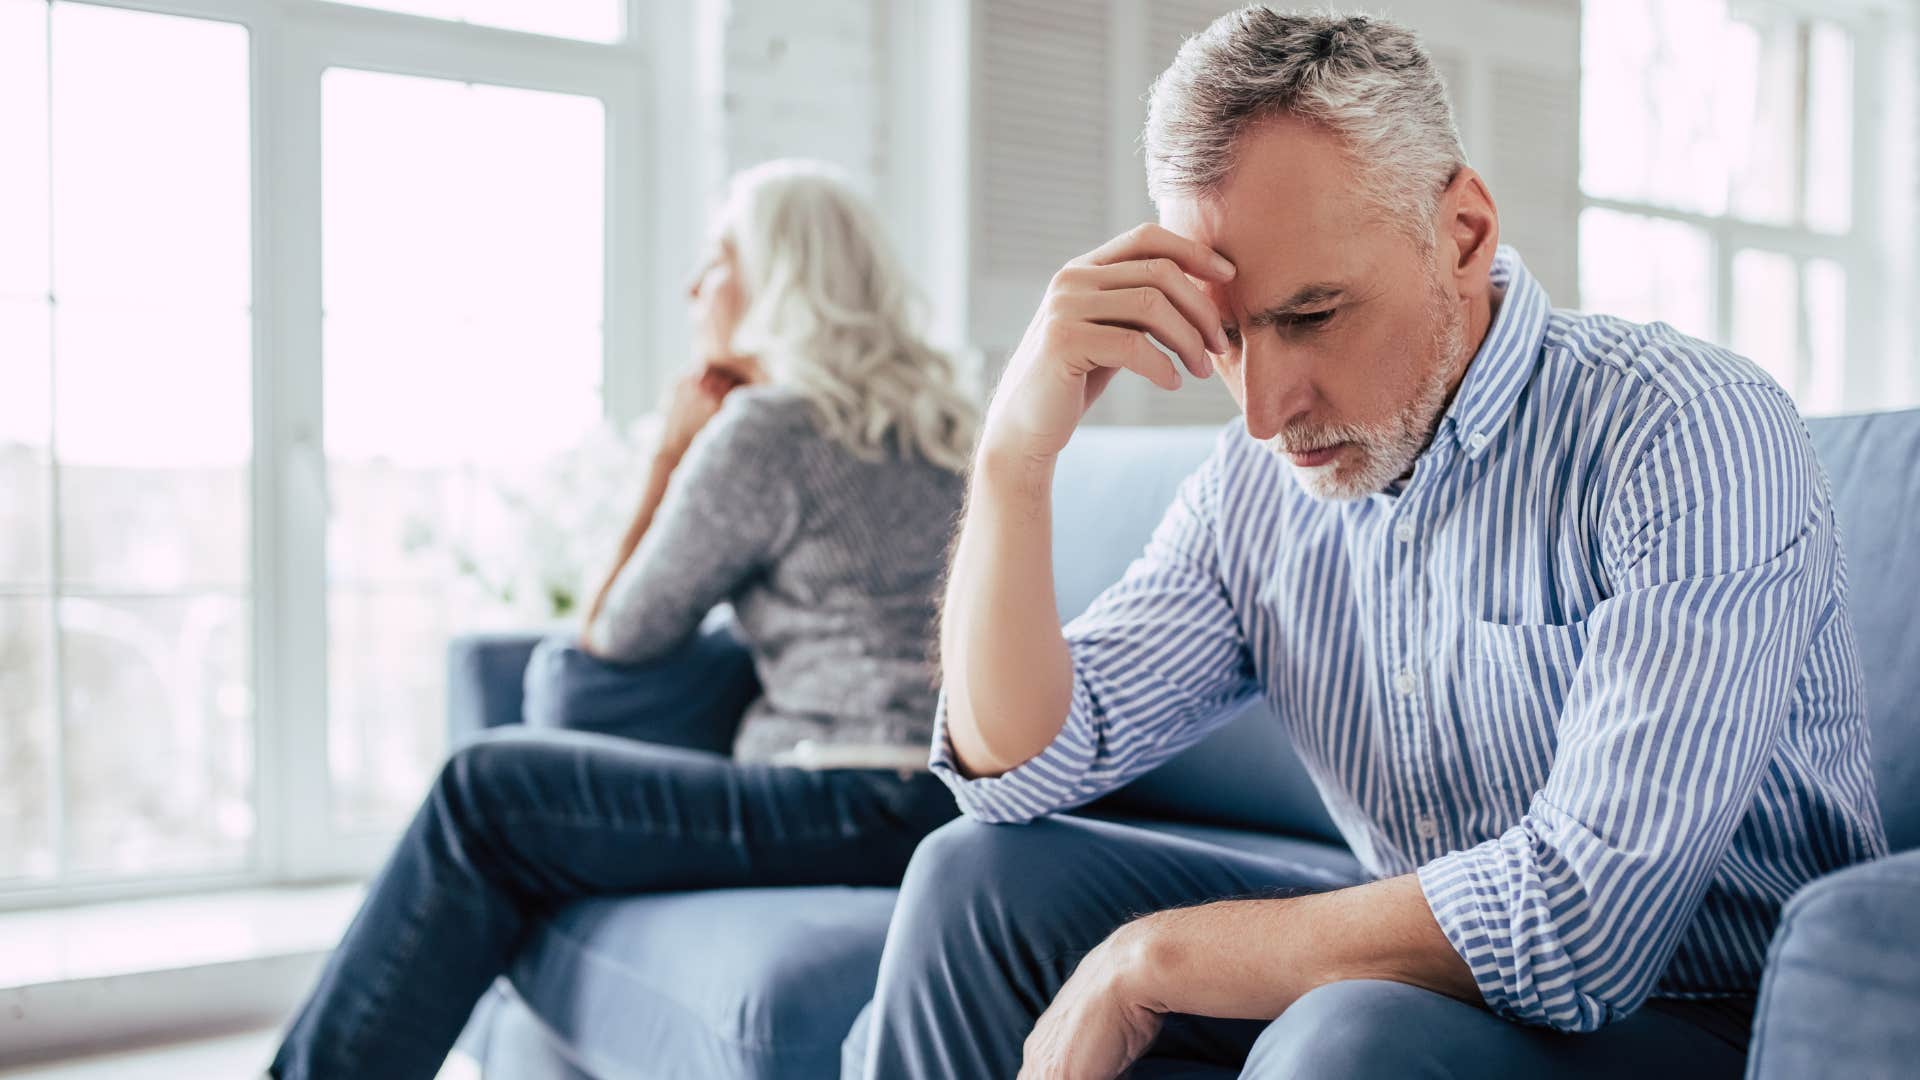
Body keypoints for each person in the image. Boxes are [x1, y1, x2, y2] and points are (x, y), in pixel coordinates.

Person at [856, 9, 1887, 1079]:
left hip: (1711, 1018)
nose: (1263, 410)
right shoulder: (1255, 492)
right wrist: (1013, 456)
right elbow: (1015, 771)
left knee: (1349, 1035)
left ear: (1464, 232)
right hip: (1435, 981)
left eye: (1310, 315)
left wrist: (1150, 957)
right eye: (1229, 333)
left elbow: (1585, 920)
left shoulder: (1685, 433)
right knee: (972, 884)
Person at [269, 159, 975, 1080]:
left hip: (849, 796)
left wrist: (670, 455)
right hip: (949, 799)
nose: (693, 287)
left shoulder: (768, 429)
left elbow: (617, 638)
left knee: (483, 791)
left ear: (777, 279)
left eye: (717, 259)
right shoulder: (951, 428)